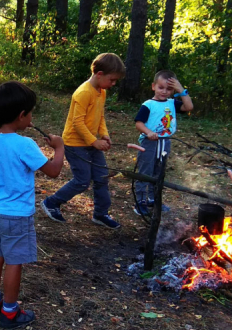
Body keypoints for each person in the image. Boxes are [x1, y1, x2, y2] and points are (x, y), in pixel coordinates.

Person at [0, 81, 64, 329]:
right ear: (21, 116)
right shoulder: (25, 145)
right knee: (14, 261)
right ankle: (9, 312)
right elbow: (54, 171)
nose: (32, 117)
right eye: (31, 112)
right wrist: (59, 148)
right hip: (16, 215)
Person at [40, 53, 125, 230]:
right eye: (112, 80)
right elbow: (77, 123)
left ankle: (100, 214)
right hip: (75, 144)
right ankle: (51, 202)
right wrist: (94, 142)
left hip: (91, 142)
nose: (113, 84)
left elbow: (100, 116)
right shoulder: (83, 93)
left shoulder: (101, 92)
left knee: (102, 177)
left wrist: (104, 134)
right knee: (82, 180)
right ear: (99, 74)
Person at [133, 70, 193, 215]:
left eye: (169, 89)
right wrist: (149, 132)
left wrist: (181, 90)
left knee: (159, 172)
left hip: (165, 143)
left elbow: (189, 107)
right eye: (161, 87)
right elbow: (138, 123)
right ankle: (140, 201)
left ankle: (153, 199)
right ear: (153, 86)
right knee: (145, 171)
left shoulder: (172, 103)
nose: (164, 92)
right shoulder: (149, 104)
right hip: (149, 142)